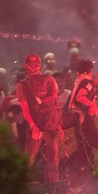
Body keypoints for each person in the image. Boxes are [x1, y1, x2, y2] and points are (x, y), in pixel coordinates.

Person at [15, 53, 63, 183]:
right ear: (26, 66)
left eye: (36, 64)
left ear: (40, 65)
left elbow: (54, 104)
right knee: (29, 157)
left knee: (53, 158)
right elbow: (25, 108)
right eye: (30, 64)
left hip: (50, 124)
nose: (33, 67)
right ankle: (20, 185)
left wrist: (58, 124)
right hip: (36, 125)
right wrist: (33, 125)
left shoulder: (49, 79)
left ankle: (53, 186)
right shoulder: (22, 85)